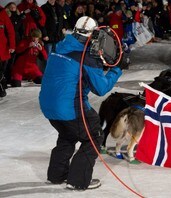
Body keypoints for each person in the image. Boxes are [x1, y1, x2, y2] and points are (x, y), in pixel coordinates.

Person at [39, 16, 125, 190]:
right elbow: (100, 88)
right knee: (94, 136)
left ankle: (57, 175)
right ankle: (77, 180)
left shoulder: (58, 47)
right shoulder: (86, 56)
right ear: (93, 34)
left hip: (48, 105)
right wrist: (116, 69)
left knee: (68, 135)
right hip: (69, 106)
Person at [0, 5, 16, 98]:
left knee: (1, 69)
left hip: (2, 47)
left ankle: (2, 87)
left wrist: (12, 45)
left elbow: (10, 30)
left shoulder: (2, 13)